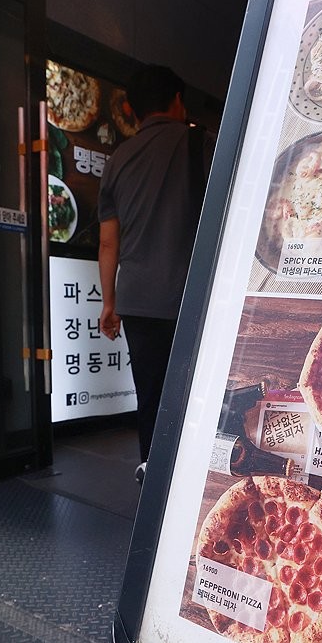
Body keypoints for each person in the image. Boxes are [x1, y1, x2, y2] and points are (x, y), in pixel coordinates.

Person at [98, 65, 210, 484]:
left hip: (137, 298)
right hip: (190, 297)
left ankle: (153, 476)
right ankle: (194, 480)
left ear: (130, 108)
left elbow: (110, 243)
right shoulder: (200, 142)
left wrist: (109, 303)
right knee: (193, 393)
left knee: (150, 395)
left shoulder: (117, 161)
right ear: (177, 102)